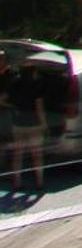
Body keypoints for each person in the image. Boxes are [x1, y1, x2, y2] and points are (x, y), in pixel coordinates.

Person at [2, 47, 46, 191]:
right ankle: (39, 182)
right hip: (33, 123)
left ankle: (17, 182)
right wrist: (43, 123)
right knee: (37, 154)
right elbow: (39, 106)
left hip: (18, 122)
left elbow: (2, 99)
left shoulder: (14, 82)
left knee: (18, 154)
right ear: (33, 71)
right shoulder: (37, 84)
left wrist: (13, 106)